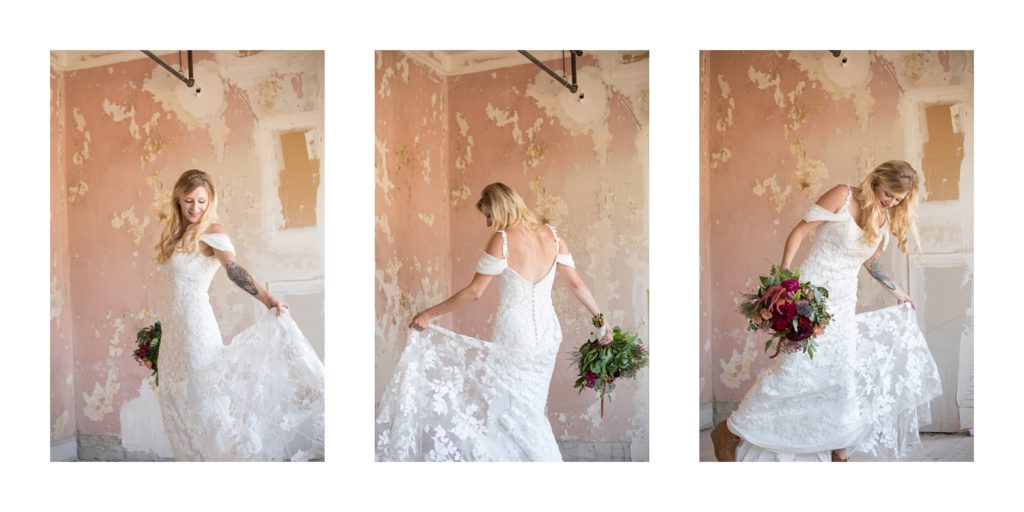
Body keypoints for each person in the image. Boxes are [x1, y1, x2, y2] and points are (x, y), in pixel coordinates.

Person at [712, 160, 942, 462]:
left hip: (843, 304)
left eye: (898, 200)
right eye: (889, 194)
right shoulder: (842, 196)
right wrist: (784, 280)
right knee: (793, 371)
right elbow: (798, 233)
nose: (891, 202)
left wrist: (898, 293)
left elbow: (870, 263)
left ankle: (838, 451)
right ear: (877, 181)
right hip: (810, 296)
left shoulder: (883, 220)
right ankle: (729, 431)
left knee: (840, 377)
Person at [375, 182, 612, 461]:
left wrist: (430, 313)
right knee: (531, 409)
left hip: (515, 334)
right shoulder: (553, 236)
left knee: (506, 409)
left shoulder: (503, 239)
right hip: (548, 334)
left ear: (499, 209)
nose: (488, 222)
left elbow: (475, 292)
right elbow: (576, 283)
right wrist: (601, 321)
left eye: (488, 214)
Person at [154, 169, 324, 461]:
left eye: (201, 201)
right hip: (172, 335)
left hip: (196, 330)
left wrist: (268, 299)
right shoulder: (175, 236)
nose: (195, 208)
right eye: (188, 201)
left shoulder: (212, 232)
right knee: (179, 409)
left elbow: (234, 270)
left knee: (208, 409)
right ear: (178, 201)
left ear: (210, 202)